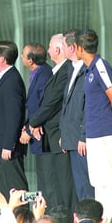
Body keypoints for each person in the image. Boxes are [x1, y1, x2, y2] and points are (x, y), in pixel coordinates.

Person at [74, 28, 112, 223]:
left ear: (80, 48)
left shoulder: (100, 67)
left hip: (105, 131)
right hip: (95, 132)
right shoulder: (89, 69)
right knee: (99, 181)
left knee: (109, 180)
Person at [29, 34, 77, 212]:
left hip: (60, 134)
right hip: (52, 134)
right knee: (57, 182)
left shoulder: (66, 71)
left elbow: (53, 102)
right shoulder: (58, 70)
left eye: (50, 47)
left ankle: (69, 220)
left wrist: (33, 123)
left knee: (65, 183)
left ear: (57, 50)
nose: (48, 50)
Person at [0, 40, 29, 200]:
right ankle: (10, 218)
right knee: (6, 186)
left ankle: (22, 219)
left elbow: (14, 115)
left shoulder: (12, 80)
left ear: (2, 59)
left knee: (15, 185)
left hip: (8, 147)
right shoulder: (4, 77)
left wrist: (8, 145)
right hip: (1, 145)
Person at [60, 29, 94, 201]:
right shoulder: (71, 69)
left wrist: (83, 136)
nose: (62, 49)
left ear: (73, 48)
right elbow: (68, 105)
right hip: (72, 138)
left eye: (64, 45)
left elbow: (88, 107)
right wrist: (64, 135)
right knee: (79, 186)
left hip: (82, 140)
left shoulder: (87, 71)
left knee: (86, 185)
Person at [18, 43, 53, 204]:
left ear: (31, 60)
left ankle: (47, 215)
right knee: (43, 178)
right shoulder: (38, 73)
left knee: (48, 181)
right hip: (38, 136)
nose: (21, 57)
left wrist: (29, 129)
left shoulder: (44, 75)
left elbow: (42, 106)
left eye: (24, 55)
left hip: (44, 136)